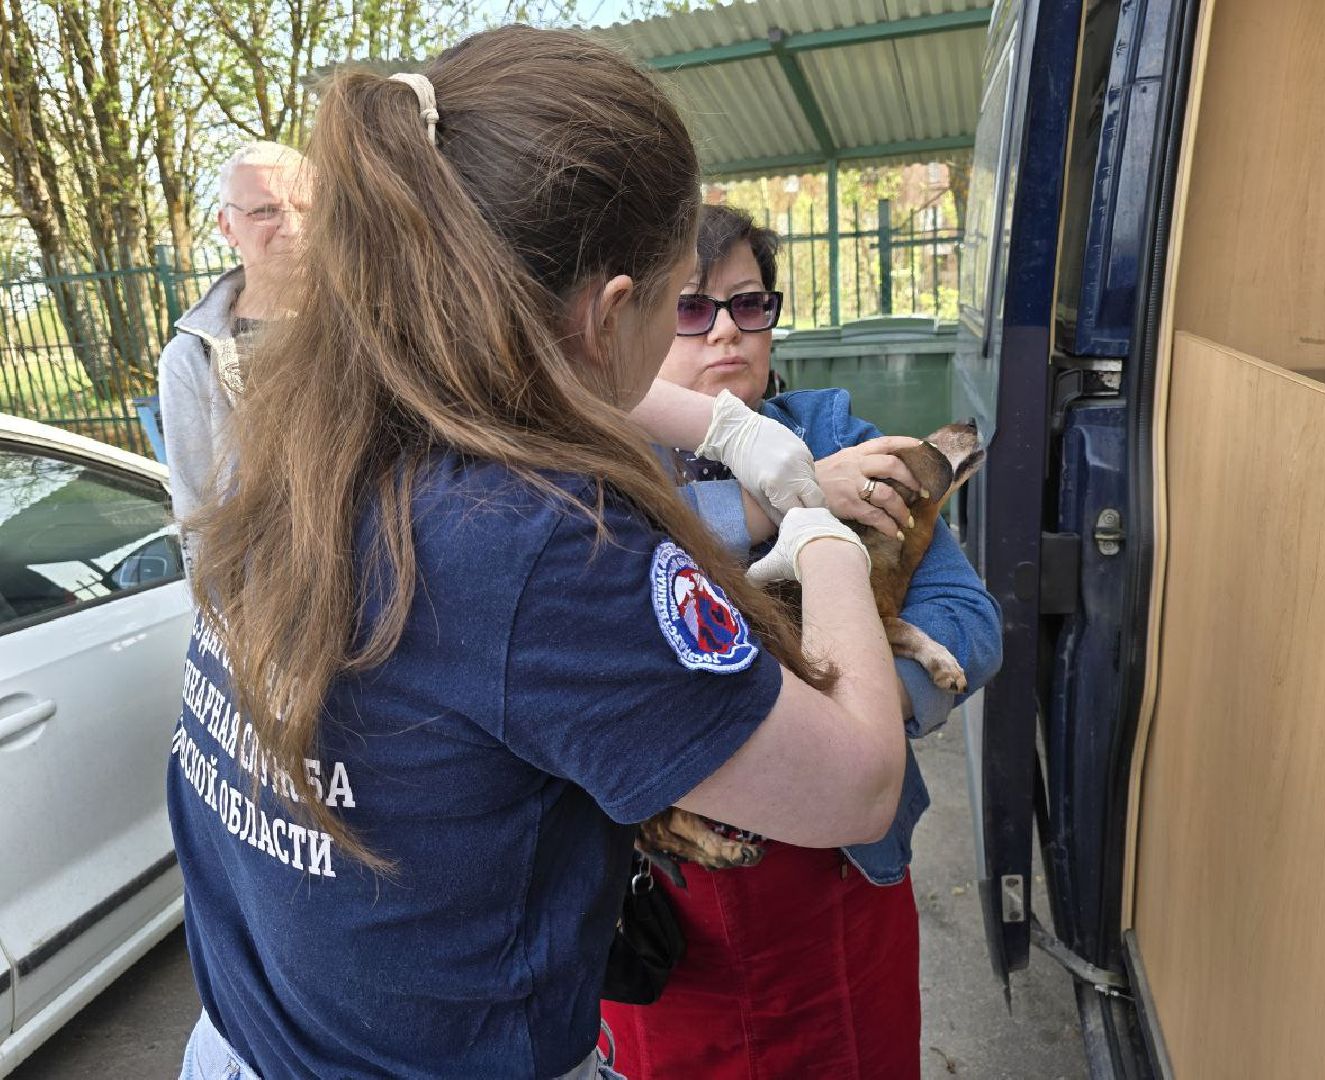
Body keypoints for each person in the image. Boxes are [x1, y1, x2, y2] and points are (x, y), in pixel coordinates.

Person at [170, 28, 910, 1080]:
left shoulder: (311, 426)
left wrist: (728, 432)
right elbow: (859, 784)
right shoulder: (535, 547)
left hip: (247, 1041)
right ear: (612, 311)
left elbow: (543, 356)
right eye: (673, 303)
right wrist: (824, 538)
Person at [603, 205, 1004, 1079]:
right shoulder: (600, 463)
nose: (726, 335)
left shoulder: (831, 430)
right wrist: (790, 501)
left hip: (840, 879)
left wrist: (829, 727)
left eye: (749, 305)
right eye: (690, 308)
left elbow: (969, 625)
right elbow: (613, 587)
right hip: (671, 918)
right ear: (631, 318)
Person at [157, 140, 310, 564]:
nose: (294, 228)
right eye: (265, 211)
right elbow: (199, 518)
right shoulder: (191, 359)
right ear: (227, 227)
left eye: (310, 208)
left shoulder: (373, 327)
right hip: (276, 599)